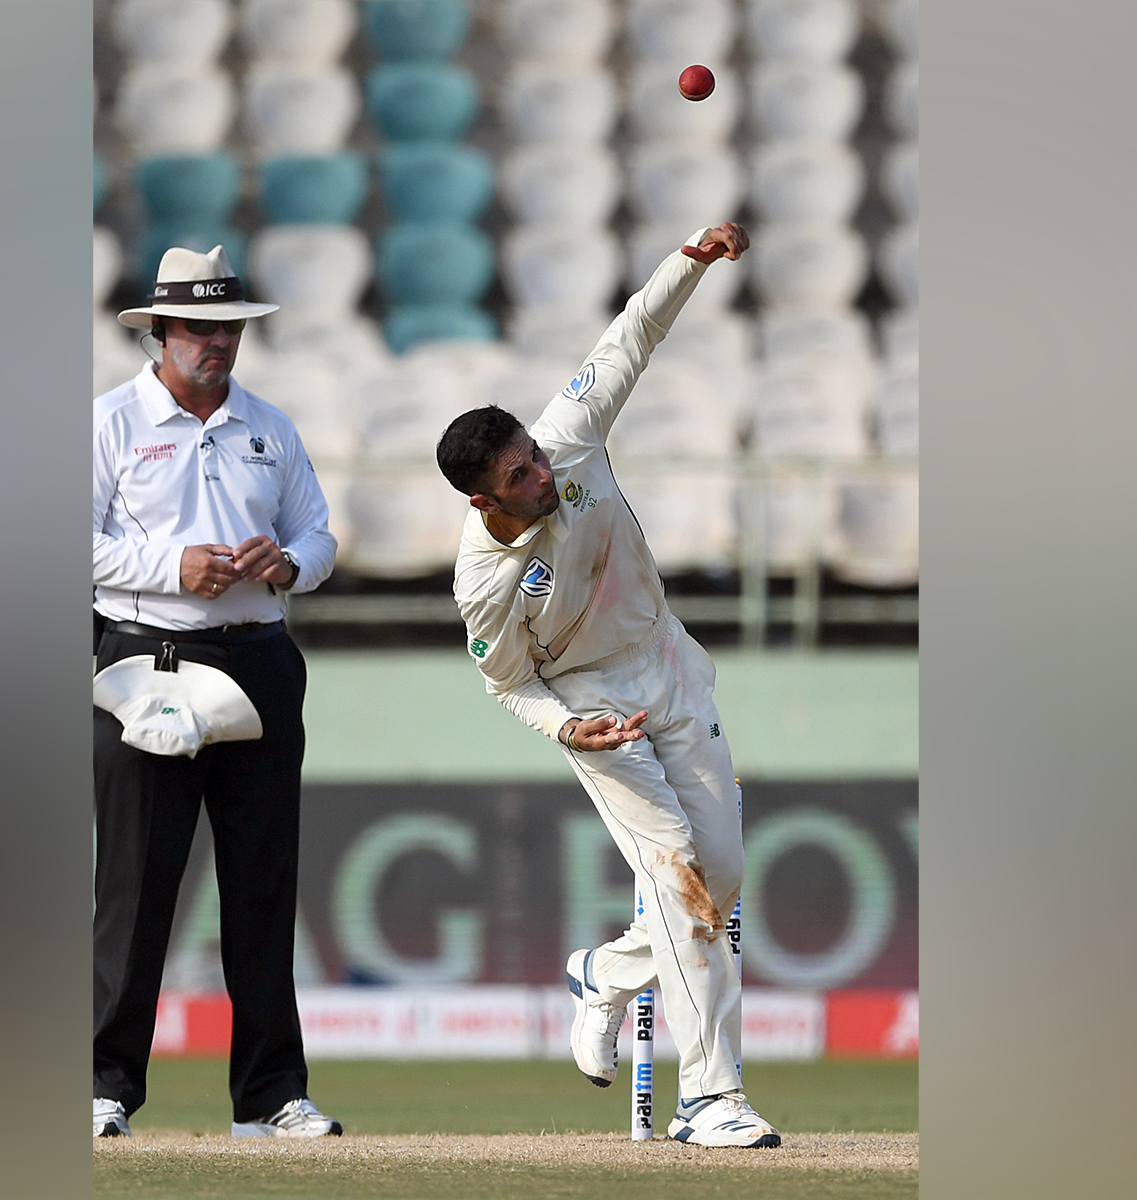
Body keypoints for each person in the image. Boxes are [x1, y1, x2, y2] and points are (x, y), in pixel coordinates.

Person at [436, 222, 780, 1149]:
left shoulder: (567, 435)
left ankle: (606, 975)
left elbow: (632, 335)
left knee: (722, 875)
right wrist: (564, 728)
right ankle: (711, 1098)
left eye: (535, 455)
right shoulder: (483, 580)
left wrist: (689, 259)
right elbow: (506, 684)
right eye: (520, 475)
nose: (542, 473)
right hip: (595, 705)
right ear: (484, 499)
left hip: (666, 657)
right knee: (680, 881)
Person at [92, 246, 342, 1140]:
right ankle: (103, 1087)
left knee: (263, 887)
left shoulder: (268, 425)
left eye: (228, 327)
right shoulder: (111, 422)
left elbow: (319, 536)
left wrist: (289, 563)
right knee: (136, 887)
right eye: (200, 327)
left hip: (259, 660)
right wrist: (174, 568)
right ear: (159, 331)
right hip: (147, 662)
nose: (217, 342)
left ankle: (271, 1096)